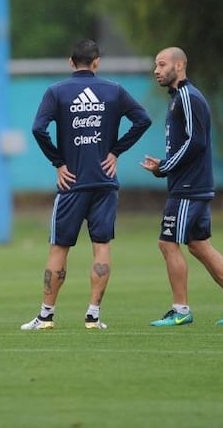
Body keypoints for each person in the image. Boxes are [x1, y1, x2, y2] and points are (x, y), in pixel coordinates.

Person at [20, 39, 151, 331]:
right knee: (101, 246)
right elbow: (143, 120)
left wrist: (58, 162)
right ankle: (93, 315)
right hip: (104, 183)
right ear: (96, 63)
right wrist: (116, 151)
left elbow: (38, 129)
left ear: (70, 62)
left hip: (72, 184)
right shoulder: (113, 91)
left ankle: (46, 316)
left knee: (58, 249)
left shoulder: (56, 92)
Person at [141, 46, 223, 326]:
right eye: (155, 65)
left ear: (179, 66)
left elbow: (196, 142)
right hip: (191, 184)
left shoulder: (188, 97)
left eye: (162, 64)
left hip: (188, 187)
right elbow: (188, 144)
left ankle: (181, 311)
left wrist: (166, 166)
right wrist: (164, 165)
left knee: (167, 243)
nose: (156, 70)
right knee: (198, 245)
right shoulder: (178, 98)